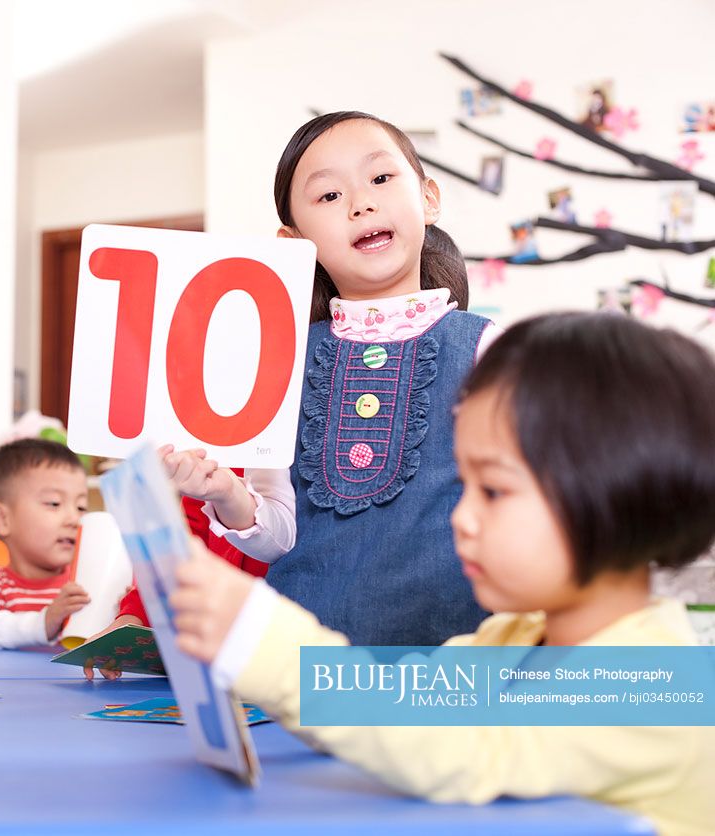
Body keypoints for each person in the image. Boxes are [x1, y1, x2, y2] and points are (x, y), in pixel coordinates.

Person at [171, 312, 715, 836]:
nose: (461, 515)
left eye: (494, 490)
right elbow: (396, 697)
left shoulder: (657, 682)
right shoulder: (515, 639)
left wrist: (265, 643)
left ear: (616, 499)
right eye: (465, 484)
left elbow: (465, 752)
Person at [96, 112, 494, 664]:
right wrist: (224, 493)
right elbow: (275, 535)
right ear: (293, 241)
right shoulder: (278, 362)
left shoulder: (492, 349)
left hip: (449, 670)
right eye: (329, 195)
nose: (361, 203)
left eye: (381, 179)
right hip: (304, 674)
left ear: (428, 198)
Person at [0, 439, 91, 648]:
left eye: (81, 507)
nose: (74, 519)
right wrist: (43, 623)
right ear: (2, 519)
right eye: (54, 503)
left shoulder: (87, 587)